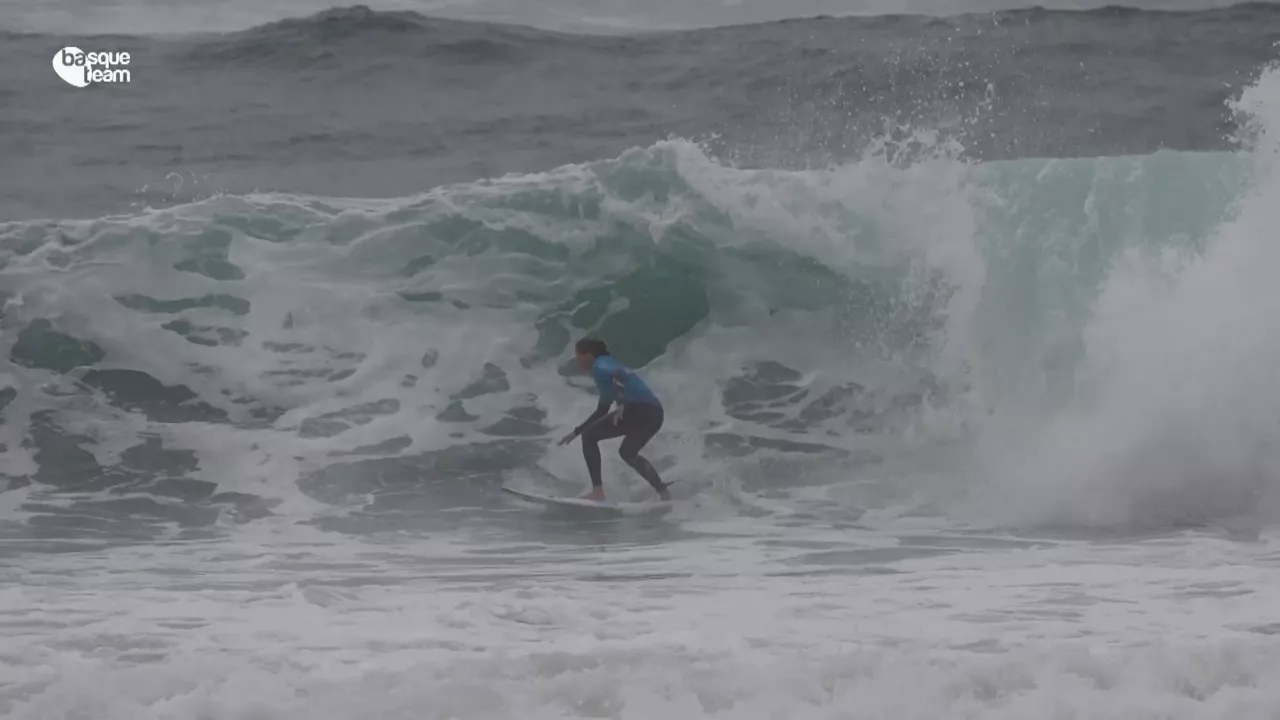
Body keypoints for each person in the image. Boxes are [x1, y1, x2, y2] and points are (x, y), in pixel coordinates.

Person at [558, 337, 671, 501]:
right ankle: (664, 493)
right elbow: (602, 410)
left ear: (588, 355)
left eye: (578, 355)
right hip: (654, 412)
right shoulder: (610, 365)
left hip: (637, 409)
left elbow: (617, 376)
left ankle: (597, 492)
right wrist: (577, 432)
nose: (577, 360)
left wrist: (622, 402)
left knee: (590, 437)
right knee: (627, 453)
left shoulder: (600, 366)